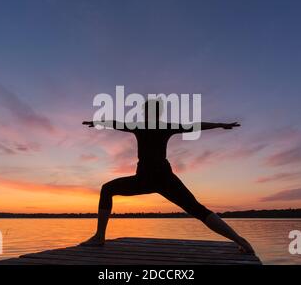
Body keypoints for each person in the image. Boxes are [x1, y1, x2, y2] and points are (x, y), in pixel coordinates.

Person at [80, 99, 254, 253]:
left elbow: (116, 123)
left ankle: (99, 237)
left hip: (148, 178)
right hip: (162, 177)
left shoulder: (140, 127)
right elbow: (195, 125)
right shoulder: (164, 127)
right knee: (197, 209)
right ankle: (240, 240)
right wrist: (219, 124)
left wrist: (98, 122)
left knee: (107, 189)